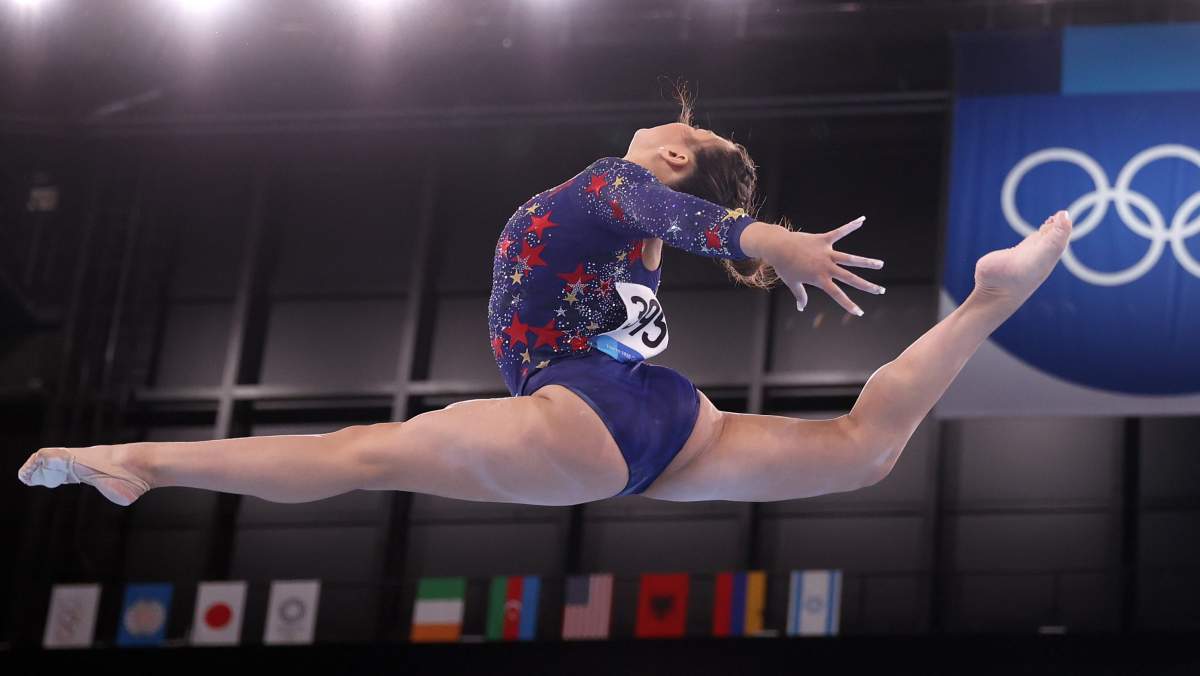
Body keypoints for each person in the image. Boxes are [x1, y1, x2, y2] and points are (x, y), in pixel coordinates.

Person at [17, 104, 1074, 508]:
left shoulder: (616, 189)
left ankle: (138, 459)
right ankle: (985, 304)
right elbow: (675, 220)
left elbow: (679, 213)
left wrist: (768, 240)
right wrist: (751, 234)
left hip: (581, 412)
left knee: (360, 454)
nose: (662, 126)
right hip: (664, 416)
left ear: (671, 157)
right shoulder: (633, 234)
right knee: (861, 448)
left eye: (678, 130)